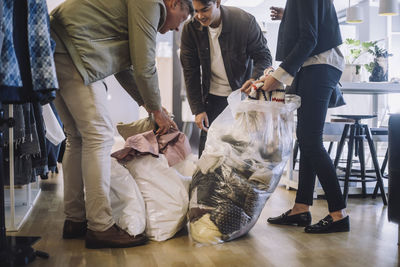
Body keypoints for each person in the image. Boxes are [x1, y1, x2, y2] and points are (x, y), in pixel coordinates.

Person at [50, 0, 193, 248]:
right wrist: (156, 110)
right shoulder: (152, 3)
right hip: (76, 50)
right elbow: (144, 63)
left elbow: (126, 69)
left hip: (59, 45)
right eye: (182, 18)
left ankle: (75, 219)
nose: (179, 28)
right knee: (100, 137)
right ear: (174, 3)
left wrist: (154, 108)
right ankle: (101, 227)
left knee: (77, 137)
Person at [242, 0, 349, 234]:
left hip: (319, 64)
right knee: (306, 138)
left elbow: (309, 38)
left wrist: (279, 76)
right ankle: (301, 208)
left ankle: (338, 214)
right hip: (314, 65)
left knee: (310, 139)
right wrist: (289, 15)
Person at [180, 0, 272, 157]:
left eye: (205, 10)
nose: (200, 16)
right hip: (212, 99)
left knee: (241, 155)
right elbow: (190, 72)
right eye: (196, 11)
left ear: (217, 2)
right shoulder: (191, 29)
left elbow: (263, 56)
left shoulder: (244, 21)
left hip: (242, 98)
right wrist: (198, 109)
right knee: (208, 156)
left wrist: (255, 79)